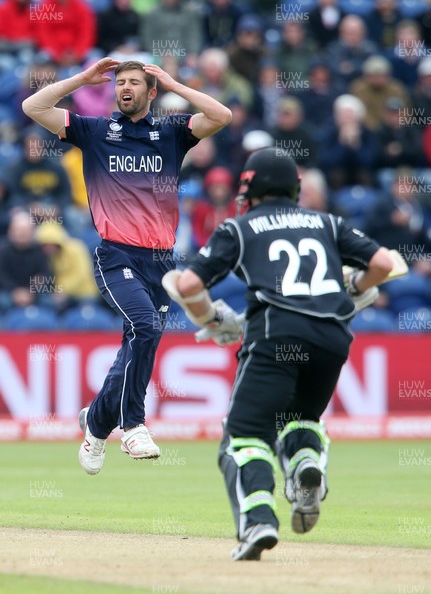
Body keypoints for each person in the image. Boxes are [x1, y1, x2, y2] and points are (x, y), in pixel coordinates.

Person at [162, 147, 393, 560]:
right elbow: (382, 263)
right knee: (299, 419)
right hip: (333, 338)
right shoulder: (327, 222)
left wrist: (214, 320)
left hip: (277, 335)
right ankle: (307, 464)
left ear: (249, 189)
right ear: (295, 187)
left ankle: (258, 521)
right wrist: (353, 289)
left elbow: (187, 284)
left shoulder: (239, 227)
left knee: (244, 436)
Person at [22, 57, 232, 474]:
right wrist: (83, 78)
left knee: (138, 343)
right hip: (115, 254)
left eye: (135, 83)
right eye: (121, 83)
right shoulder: (97, 131)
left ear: (150, 93)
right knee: (147, 327)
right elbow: (34, 108)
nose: (126, 89)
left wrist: (175, 83)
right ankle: (133, 426)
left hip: (161, 261)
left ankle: (95, 425)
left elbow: (220, 115)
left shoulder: (170, 133)